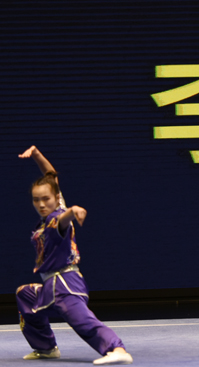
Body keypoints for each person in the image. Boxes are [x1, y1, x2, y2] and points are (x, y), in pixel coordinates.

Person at [15, 146, 133, 365]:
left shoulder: (56, 219)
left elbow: (63, 219)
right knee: (26, 295)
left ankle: (117, 349)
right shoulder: (49, 214)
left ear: (56, 198)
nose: (41, 204)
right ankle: (46, 348)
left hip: (65, 284)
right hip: (50, 285)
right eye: (36, 200)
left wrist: (73, 210)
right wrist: (37, 155)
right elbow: (51, 175)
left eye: (46, 199)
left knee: (83, 322)